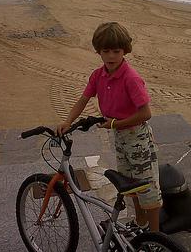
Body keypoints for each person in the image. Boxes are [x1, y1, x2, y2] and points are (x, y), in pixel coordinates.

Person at [56, 22, 162, 232]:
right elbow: (83, 99)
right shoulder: (98, 75)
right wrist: (67, 121)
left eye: (117, 51)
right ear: (99, 51)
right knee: (130, 184)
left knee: (147, 188)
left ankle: (155, 237)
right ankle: (140, 226)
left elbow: (145, 113)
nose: (111, 56)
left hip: (137, 138)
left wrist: (115, 123)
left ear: (125, 51)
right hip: (120, 137)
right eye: (106, 51)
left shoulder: (131, 78)